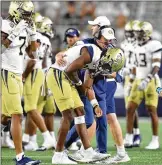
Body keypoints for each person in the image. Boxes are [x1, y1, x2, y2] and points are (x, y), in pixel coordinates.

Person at [46, 29, 117, 163]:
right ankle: (58, 155)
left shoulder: (99, 57)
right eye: (105, 39)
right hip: (59, 74)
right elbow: (69, 69)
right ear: (97, 38)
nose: (108, 42)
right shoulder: (92, 51)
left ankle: (88, 152)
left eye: (110, 40)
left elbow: (87, 85)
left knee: (80, 111)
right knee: (67, 115)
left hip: (67, 77)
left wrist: (95, 104)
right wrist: (79, 84)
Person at [1, 1, 41, 164]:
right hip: (6, 71)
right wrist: (15, 31)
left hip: (17, 74)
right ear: (15, 12)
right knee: (17, 115)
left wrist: (32, 35)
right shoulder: (4, 24)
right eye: (25, 14)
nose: (27, 17)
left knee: (4, 116)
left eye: (29, 14)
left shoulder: (24, 26)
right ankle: (20, 157)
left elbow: (33, 55)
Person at [124, 21, 162, 150]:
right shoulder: (135, 46)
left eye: (138, 32)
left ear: (146, 33)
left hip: (150, 81)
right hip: (137, 80)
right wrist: (130, 82)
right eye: (135, 32)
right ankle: (129, 137)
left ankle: (155, 140)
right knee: (130, 109)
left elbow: (156, 65)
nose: (136, 35)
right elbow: (135, 66)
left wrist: (148, 79)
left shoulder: (154, 45)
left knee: (151, 111)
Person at [22, 15, 56, 151]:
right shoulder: (45, 39)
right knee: (34, 109)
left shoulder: (37, 38)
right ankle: (30, 139)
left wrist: (23, 75)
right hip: (44, 74)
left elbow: (33, 59)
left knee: (32, 108)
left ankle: (46, 138)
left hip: (37, 73)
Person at [121, 20, 142, 148]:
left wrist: (132, 79)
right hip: (127, 76)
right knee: (130, 108)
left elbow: (136, 64)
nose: (129, 34)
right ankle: (135, 134)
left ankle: (135, 134)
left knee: (131, 107)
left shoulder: (139, 45)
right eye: (127, 32)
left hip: (135, 76)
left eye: (131, 32)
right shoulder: (124, 44)